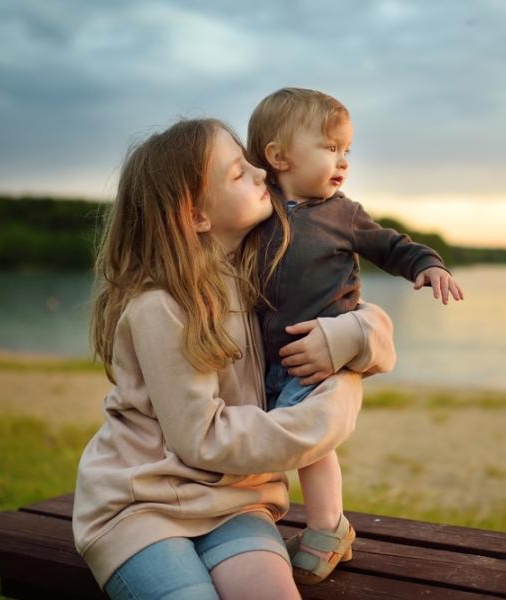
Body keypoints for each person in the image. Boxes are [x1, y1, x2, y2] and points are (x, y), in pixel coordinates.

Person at [72, 118, 396, 600]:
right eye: (239, 172)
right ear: (196, 215)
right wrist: (323, 420)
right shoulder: (159, 306)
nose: (262, 172)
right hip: (141, 506)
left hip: (236, 502)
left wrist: (346, 335)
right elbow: (202, 440)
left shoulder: (257, 275)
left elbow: (374, 333)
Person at [246, 87, 464, 584]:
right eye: (330, 148)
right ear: (278, 157)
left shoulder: (343, 214)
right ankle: (257, 524)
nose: (343, 160)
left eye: (347, 150)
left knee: (314, 445)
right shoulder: (257, 210)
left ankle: (327, 529)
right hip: (262, 360)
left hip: (321, 358)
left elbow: (391, 246)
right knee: (262, 445)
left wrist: (427, 264)